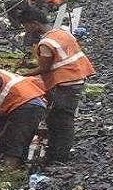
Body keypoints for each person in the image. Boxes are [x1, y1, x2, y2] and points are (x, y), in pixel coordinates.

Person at [18, 9, 95, 164]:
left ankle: (59, 156)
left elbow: (44, 68)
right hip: (76, 79)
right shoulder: (62, 33)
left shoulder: (46, 43)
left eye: (27, 26)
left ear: (35, 24)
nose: (27, 30)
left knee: (60, 120)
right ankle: (58, 153)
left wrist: (22, 76)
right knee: (59, 119)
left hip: (66, 83)